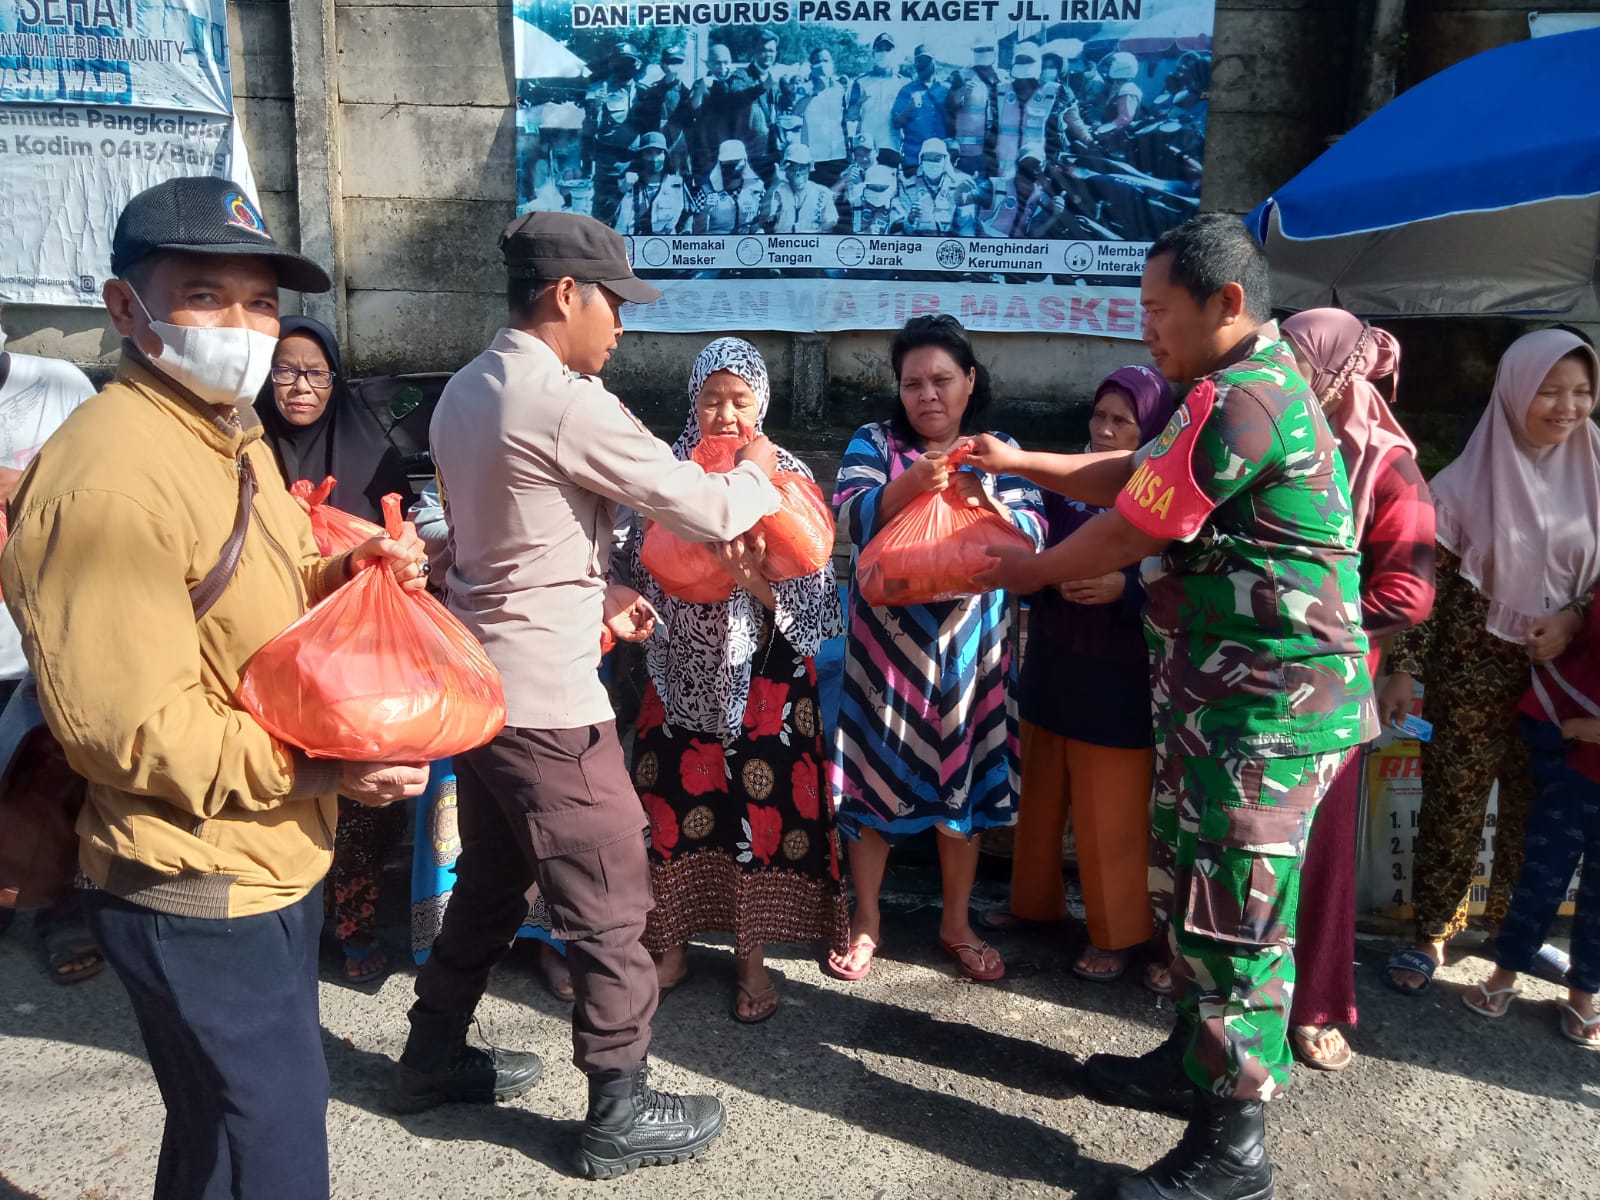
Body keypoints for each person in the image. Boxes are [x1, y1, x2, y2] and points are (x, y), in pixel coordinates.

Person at [0, 176, 430, 1200]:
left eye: (260, 303)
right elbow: (128, 730)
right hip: (190, 877)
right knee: (274, 1144)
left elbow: (270, 588)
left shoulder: (221, 434)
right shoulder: (110, 476)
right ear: (124, 309)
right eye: (205, 297)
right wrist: (327, 763)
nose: (243, 328)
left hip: (264, 850)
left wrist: (356, 574)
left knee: (218, 1135)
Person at [971, 214, 1374, 1199]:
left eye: (1157, 310)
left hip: (1271, 713)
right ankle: (1187, 1069)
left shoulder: (1248, 398)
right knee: (1196, 897)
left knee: (1238, 924)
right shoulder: (1217, 396)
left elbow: (1128, 527)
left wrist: (1016, 568)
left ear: (1222, 305)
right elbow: (1136, 474)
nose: (1143, 327)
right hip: (1222, 707)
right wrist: (1021, 464)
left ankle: (1231, 1154)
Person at [387, 212, 786, 1179]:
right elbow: (708, 503)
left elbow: (512, 537)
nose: (621, 328)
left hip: (484, 684)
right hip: (550, 705)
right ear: (566, 295)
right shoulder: (564, 399)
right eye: (614, 304)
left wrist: (596, 588)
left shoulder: (465, 390)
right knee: (610, 899)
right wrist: (766, 471)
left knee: (491, 878)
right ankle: (617, 1106)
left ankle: (432, 1056)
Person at [625, 338, 847, 1023]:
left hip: (768, 687)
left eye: (739, 400)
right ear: (693, 402)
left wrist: (746, 574)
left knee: (755, 818)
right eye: (711, 399)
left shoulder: (785, 476)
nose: (725, 414)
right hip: (679, 675)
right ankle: (673, 945)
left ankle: (751, 960)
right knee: (672, 813)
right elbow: (638, 569)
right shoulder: (669, 473)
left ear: (762, 404)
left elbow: (816, 610)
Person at [1381, 329, 1600, 996]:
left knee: (1538, 817)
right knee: (1454, 804)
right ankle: (1434, 935)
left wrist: (1577, 616)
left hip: (1565, 680)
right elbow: (1428, 595)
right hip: (1471, 670)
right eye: (1550, 390)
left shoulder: (1597, 469)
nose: (1569, 407)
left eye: (1583, 391)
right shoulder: (1460, 485)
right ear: (1512, 392)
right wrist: (1404, 670)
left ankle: (1514, 938)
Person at [827, 315, 1044, 985]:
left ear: (969, 380)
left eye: (942, 380)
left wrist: (978, 490)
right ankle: (867, 921)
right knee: (870, 790)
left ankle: (956, 922)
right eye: (913, 382)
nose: (928, 395)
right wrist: (912, 486)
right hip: (884, 663)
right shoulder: (876, 444)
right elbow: (848, 519)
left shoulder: (998, 449)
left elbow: (1032, 534)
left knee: (964, 792)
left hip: (970, 663)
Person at [976, 366, 1176, 983]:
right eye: (1100, 417)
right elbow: (1035, 541)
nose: (1108, 431)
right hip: (1055, 657)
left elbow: (1187, 574)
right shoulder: (1066, 483)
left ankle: (1116, 933)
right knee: (1038, 796)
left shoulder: (1165, 490)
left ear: (1153, 430)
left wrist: (1127, 586)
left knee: (1107, 809)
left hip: (1120, 673)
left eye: (1124, 422)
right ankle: (1032, 905)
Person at [1278, 309, 1436, 1069]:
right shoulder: (1276, 439)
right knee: (1246, 847)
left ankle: (1313, 1003)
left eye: (1301, 367)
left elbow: (1408, 594)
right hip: (1251, 681)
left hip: (1332, 695)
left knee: (1321, 854)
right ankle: (1228, 986)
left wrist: (1293, 612)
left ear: (1338, 375)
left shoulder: (1388, 467)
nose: (1287, 381)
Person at [254, 315, 416, 989]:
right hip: (268, 649)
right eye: (285, 369)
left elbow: (403, 525)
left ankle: (353, 922)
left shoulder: (367, 452)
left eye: (315, 371)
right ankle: (286, 924)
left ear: (334, 379)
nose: (299, 384)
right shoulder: (245, 452)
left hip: (351, 653)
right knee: (278, 787)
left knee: (363, 797)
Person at [0, 307, 104, 986]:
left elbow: (103, 500)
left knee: (52, 782)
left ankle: (58, 910)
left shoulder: (60, 386)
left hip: (42, 641)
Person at [1461, 587, 1600, 1047]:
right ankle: (1505, 972)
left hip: (1582, 740)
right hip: (1574, 769)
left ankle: (1584, 996)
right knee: (1539, 878)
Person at [691, 43, 769, 181]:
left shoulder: (737, 80)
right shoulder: (700, 83)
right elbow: (693, 108)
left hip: (735, 146)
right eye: (717, 63)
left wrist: (762, 87)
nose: (722, 68)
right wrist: (700, 91)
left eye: (726, 62)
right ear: (708, 64)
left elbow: (736, 96)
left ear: (731, 62)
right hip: (708, 148)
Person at [612, 132, 689, 236]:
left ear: (665, 156)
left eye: (659, 152)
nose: (654, 158)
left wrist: (685, 235)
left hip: (666, 245)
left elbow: (688, 215)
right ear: (641, 156)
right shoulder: (626, 184)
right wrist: (621, 192)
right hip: (633, 245)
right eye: (648, 152)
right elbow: (604, 217)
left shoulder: (677, 184)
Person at [894, 138, 976, 235]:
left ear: (945, 160)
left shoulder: (959, 186)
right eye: (927, 158)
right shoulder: (908, 187)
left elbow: (966, 229)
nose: (932, 163)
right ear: (921, 160)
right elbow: (901, 230)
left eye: (937, 159)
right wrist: (910, 219)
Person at [890, 45, 949, 173]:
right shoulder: (907, 90)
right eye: (919, 61)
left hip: (939, 159)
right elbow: (896, 123)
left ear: (934, 62)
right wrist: (909, 108)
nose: (923, 65)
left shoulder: (945, 90)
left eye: (927, 61)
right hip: (913, 158)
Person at [693, 140, 767, 235]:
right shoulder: (706, 191)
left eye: (736, 162)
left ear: (744, 161)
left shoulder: (757, 188)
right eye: (728, 163)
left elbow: (761, 219)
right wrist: (706, 209)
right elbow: (696, 229)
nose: (732, 168)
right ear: (720, 164)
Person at [846, 33, 902, 158]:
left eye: (887, 49)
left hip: (892, 145)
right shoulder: (860, 82)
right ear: (873, 53)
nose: (883, 53)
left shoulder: (902, 83)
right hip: (866, 146)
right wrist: (860, 102)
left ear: (894, 53)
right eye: (879, 49)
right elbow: (850, 116)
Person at [798, 48, 848, 186]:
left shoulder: (840, 88)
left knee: (839, 203)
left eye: (826, 61)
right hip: (815, 158)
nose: (822, 64)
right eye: (818, 61)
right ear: (811, 66)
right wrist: (815, 92)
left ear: (832, 63)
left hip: (839, 155)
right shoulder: (803, 88)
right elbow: (795, 113)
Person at [765, 143, 840, 234]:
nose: (798, 173)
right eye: (793, 168)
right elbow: (765, 220)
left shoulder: (823, 194)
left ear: (809, 168)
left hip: (812, 244)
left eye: (802, 168)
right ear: (786, 170)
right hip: (783, 244)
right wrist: (776, 181)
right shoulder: (778, 191)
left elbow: (829, 227)